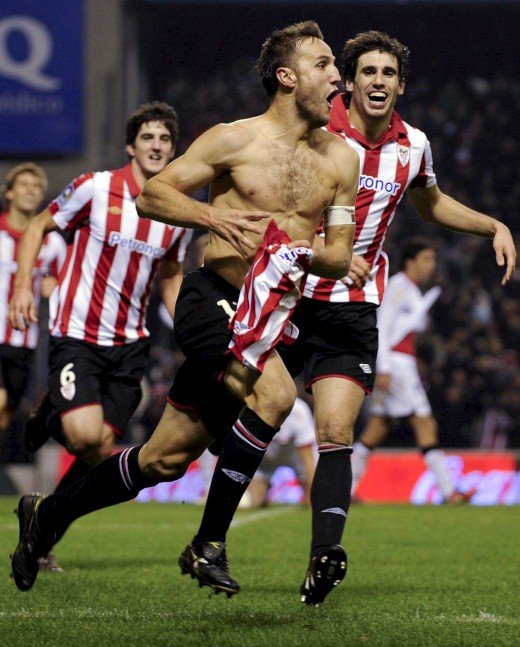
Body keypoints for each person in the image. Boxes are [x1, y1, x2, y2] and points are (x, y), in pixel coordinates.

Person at [10, 21, 359, 601]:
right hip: (212, 300)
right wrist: (215, 219)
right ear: (286, 76)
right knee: (273, 397)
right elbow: (154, 194)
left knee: (163, 460)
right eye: (324, 65)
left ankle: (44, 519)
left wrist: (309, 255)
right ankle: (208, 543)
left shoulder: (340, 161)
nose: (337, 79)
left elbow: (341, 253)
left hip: (271, 315)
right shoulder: (232, 140)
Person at [280, 30, 515, 606]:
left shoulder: (415, 146)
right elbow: (278, 202)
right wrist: (326, 249)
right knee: (232, 418)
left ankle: (322, 560)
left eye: (389, 73)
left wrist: (493, 225)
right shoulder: (315, 130)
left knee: (336, 431)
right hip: (286, 293)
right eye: (369, 72)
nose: (379, 80)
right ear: (351, 82)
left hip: (352, 307)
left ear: (399, 85)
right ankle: (210, 537)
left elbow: (431, 203)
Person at [9, 102, 192, 570]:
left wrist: (189, 327)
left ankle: (41, 530)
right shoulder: (95, 188)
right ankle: (52, 416)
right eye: (148, 137)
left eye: (164, 140)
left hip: (131, 343)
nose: (156, 146)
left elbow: (170, 273)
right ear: (131, 146)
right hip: (78, 333)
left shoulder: (175, 210)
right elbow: (37, 225)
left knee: (98, 452)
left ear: (173, 151)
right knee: (85, 434)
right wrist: (23, 286)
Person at [351, 238, 473, 503]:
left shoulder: (414, 291)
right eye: (427, 259)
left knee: (378, 426)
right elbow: (381, 327)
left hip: (398, 363)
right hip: (395, 365)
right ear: (410, 262)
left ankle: (344, 489)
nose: (432, 265)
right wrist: (383, 368)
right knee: (424, 421)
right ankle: (450, 491)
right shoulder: (398, 286)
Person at [0, 163, 66, 455]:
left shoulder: (53, 243)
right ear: (9, 193)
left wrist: (56, 286)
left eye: (37, 186)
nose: (31, 190)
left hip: (24, 342)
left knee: (8, 409)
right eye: (24, 185)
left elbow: (68, 284)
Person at [242, 396, 316, 508]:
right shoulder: (253, 408)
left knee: (312, 501)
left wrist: (312, 494)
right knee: (255, 502)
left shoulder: (299, 411)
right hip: (265, 459)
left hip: (295, 457)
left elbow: (307, 459)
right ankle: (266, 488)